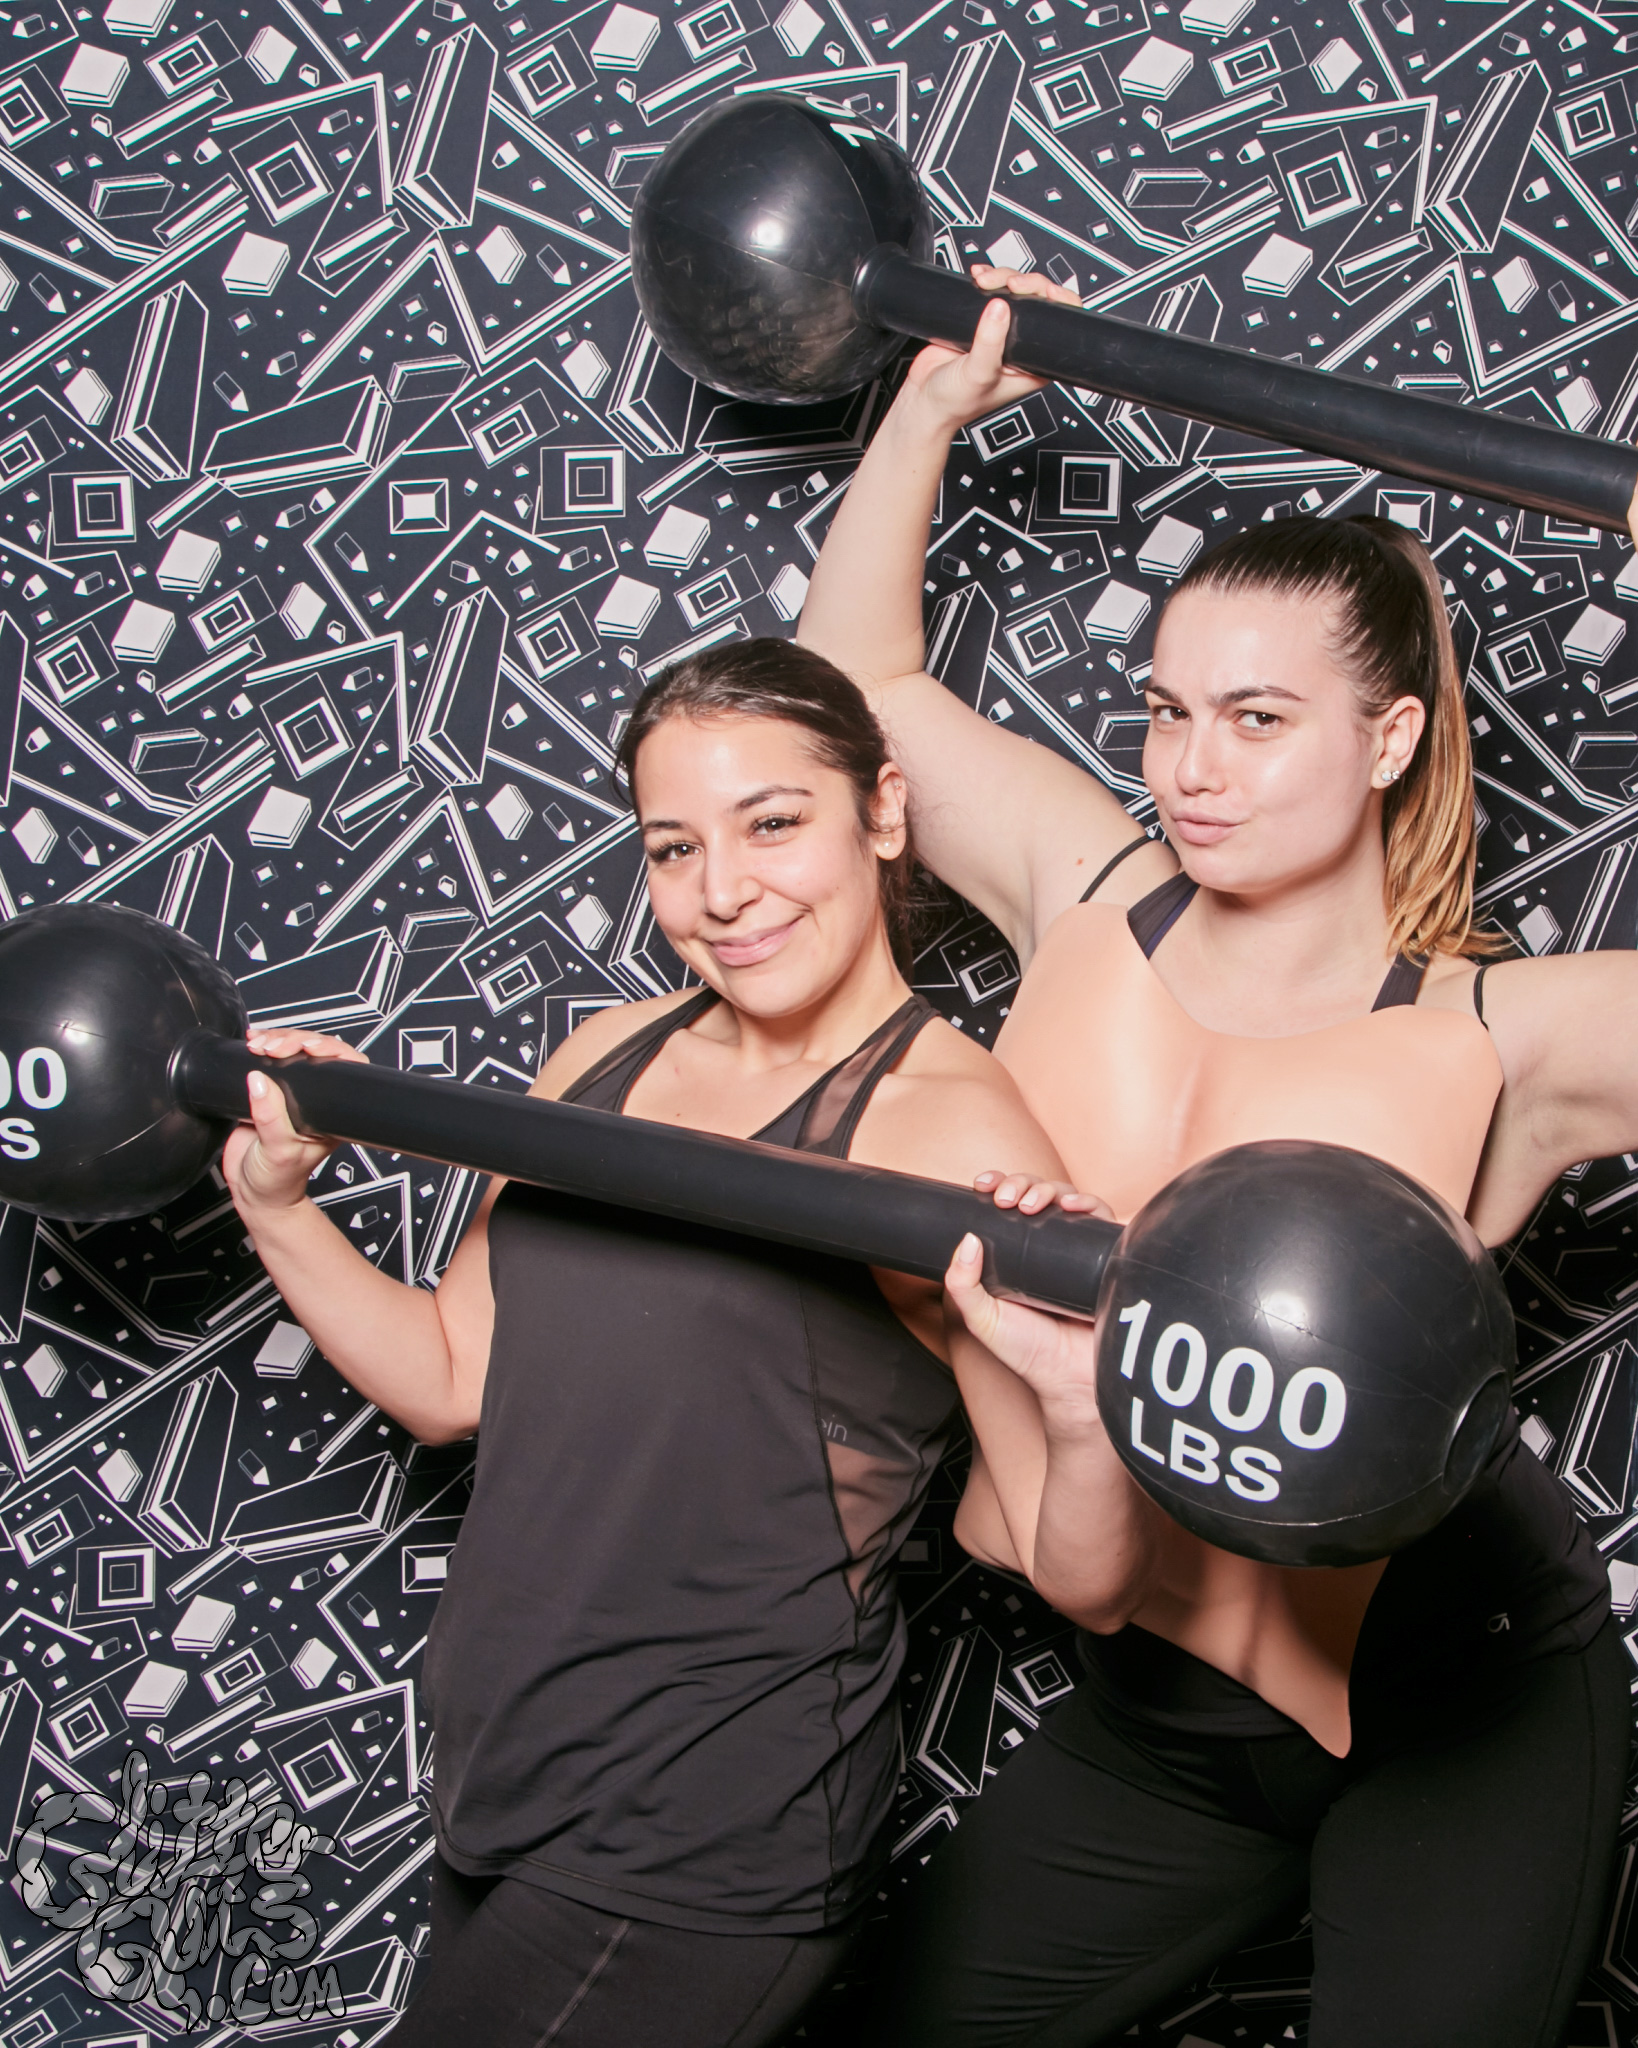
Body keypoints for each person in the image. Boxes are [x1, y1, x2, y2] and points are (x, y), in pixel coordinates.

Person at [796, 270, 1635, 2048]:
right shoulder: (1082, 889)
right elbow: (852, 686)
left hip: (1456, 1703)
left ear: (1387, 737)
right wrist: (925, 410)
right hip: (1159, 1712)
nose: (1191, 767)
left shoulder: (1508, 1037)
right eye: (1168, 711)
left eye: (1257, 720)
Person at [220, 639, 1082, 2048]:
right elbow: (452, 1378)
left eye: (772, 823)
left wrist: (1087, 1396)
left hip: (705, 1828)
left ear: (881, 813)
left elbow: (1067, 1557)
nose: (720, 892)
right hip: (511, 1776)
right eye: (674, 848)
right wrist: (278, 1206)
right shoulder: (601, 1057)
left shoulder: (953, 1131)